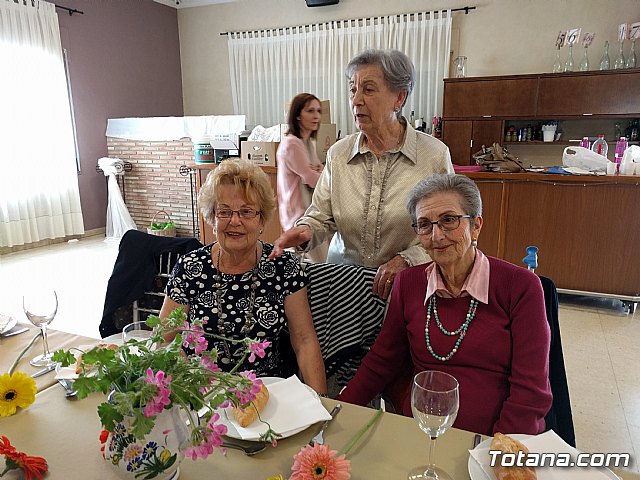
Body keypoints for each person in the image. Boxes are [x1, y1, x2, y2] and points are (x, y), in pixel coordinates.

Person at [337, 174, 552, 436]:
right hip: (422, 428)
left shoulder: (520, 286)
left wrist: (500, 447)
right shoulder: (409, 283)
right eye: (424, 225)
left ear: (476, 226)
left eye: (449, 220)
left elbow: (531, 391)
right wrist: (338, 411)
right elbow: (382, 359)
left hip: (492, 437)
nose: (436, 235)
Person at [269, 49, 454, 299]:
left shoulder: (433, 155)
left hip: (405, 288)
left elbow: (448, 228)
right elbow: (321, 215)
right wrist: (305, 231)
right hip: (342, 286)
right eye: (352, 89)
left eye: (368, 89)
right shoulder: (339, 154)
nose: (356, 100)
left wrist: (408, 259)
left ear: (399, 97)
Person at [159, 159, 327, 395]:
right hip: (201, 393)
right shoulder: (190, 267)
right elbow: (165, 338)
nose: (235, 221)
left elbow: (304, 341)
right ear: (212, 217)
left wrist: (319, 401)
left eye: (246, 212)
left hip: (267, 394)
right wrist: (192, 386)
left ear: (261, 220)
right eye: (224, 212)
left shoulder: (284, 268)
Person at [277, 93, 327, 262]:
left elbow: (320, 170)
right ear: (298, 115)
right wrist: (319, 173)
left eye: (318, 111)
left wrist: (318, 172)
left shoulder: (307, 142)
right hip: (299, 214)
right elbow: (313, 179)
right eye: (310, 111)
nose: (316, 116)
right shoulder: (292, 144)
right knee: (318, 263)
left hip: (309, 211)